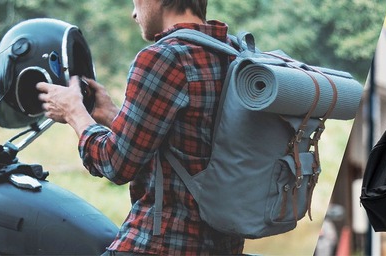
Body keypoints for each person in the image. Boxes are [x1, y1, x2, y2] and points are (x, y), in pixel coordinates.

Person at [36, 0, 245, 254]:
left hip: (160, 244)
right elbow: (190, 143)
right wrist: (112, 114)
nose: (133, 12)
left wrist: (74, 113)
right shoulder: (233, 52)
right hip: (220, 246)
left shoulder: (163, 57)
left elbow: (115, 163)